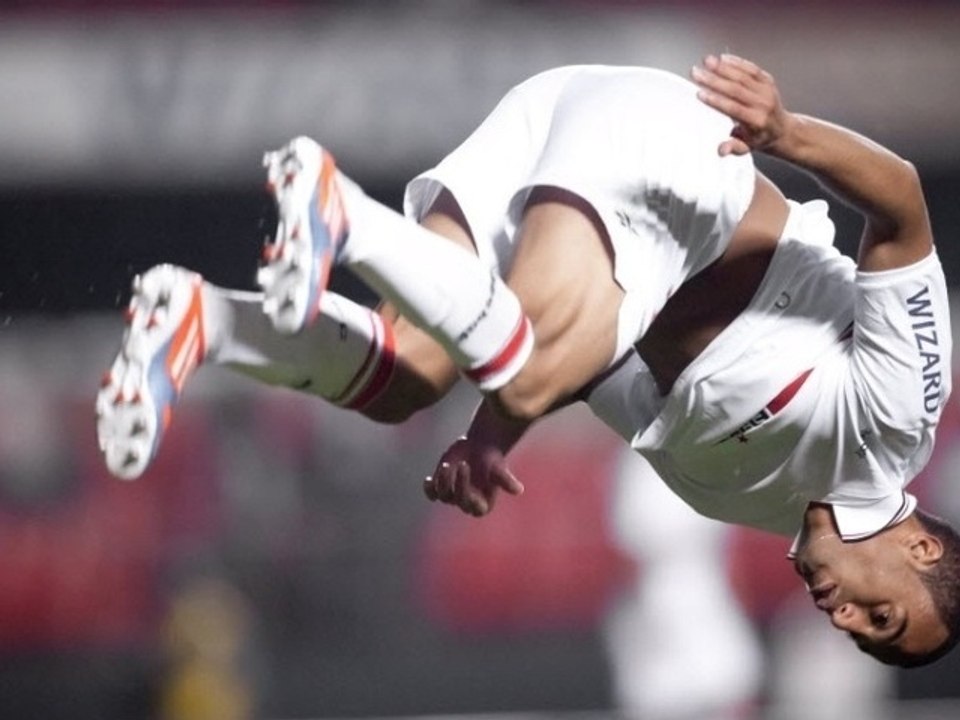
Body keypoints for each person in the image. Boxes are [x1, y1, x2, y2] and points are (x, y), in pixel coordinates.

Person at [95, 54, 958, 666]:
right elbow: (904, 210)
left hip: (558, 149)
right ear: (921, 550)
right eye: (881, 615)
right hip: (677, 163)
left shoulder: (746, 502)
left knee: (407, 379)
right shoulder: (898, 423)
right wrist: (785, 130)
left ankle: (205, 324)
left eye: (858, 633)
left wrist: (491, 437)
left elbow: (593, 355)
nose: (843, 616)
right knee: (522, 364)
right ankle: (341, 214)